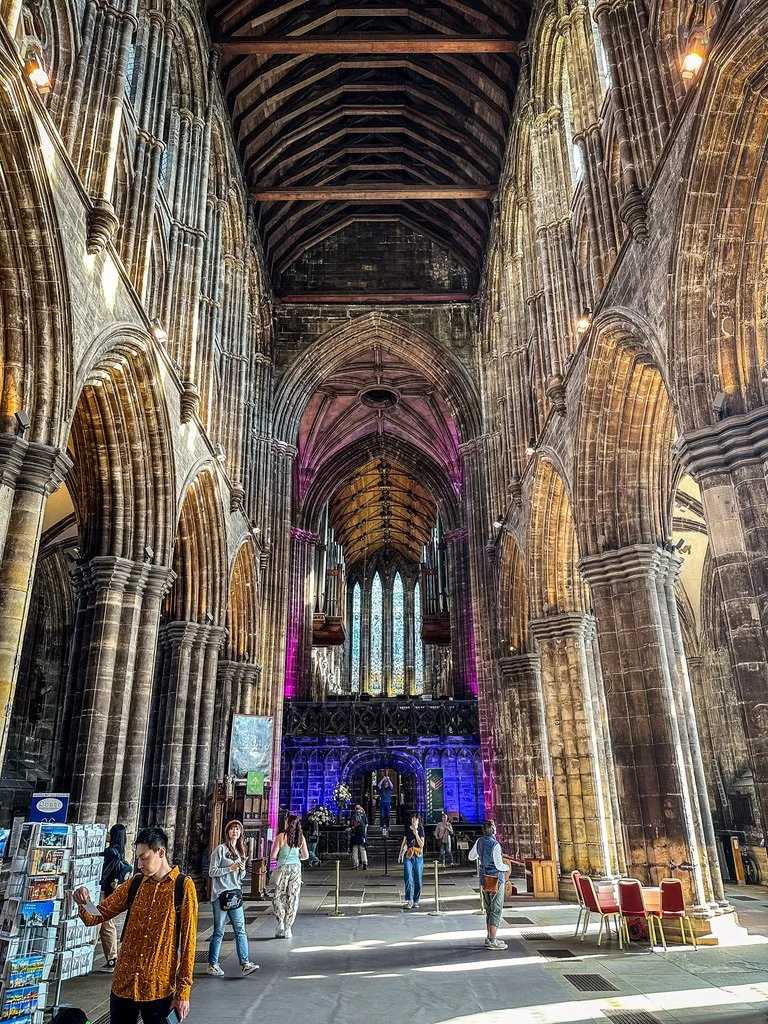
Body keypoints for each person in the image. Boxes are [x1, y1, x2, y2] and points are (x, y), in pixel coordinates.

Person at [74, 824, 198, 1023]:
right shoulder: (135, 883)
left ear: (161, 852)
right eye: (138, 858)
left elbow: (189, 943)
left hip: (158, 986)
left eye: (144, 857)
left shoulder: (183, 886)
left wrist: (183, 992)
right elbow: (96, 916)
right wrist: (84, 902)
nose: (139, 864)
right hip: (124, 983)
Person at [207, 819, 259, 976]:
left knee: (240, 930)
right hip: (220, 895)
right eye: (232, 829)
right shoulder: (220, 850)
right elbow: (212, 871)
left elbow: (240, 876)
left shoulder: (240, 851)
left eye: (237, 829)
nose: (235, 832)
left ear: (241, 833)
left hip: (235, 894)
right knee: (219, 931)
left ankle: (245, 963)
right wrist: (230, 868)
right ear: (227, 832)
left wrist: (241, 869)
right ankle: (212, 964)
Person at [469, 820, 510, 951]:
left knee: (488, 908)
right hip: (496, 879)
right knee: (496, 909)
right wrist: (506, 867)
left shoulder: (479, 841)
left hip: (484, 879)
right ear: (493, 830)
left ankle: (489, 937)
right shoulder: (495, 845)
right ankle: (492, 940)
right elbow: (498, 864)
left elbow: (471, 856)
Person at [98, 824, 131, 973]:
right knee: (107, 924)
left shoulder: (110, 852)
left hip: (102, 891)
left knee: (96, 923)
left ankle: (83, 957)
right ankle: (112, 958)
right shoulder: (121, 852)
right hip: (111, 892)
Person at [270, 813, 309, 939]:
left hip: (283, 868)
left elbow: (273, 856)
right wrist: (296, 857)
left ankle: (280, 921)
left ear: (287, 824)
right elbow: (306, 856)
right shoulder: (301, 838)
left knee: (278, 896)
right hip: (296, 869)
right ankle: (288, 928)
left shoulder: (281, 836)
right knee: (293, 897)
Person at [398, 813, 425, 909]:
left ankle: (416, 900)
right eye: (412, 820)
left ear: (418, 821)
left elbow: (421, 845)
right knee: (408, 876)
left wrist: (416, 833)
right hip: (408, 854)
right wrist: (400, 854)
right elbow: (404, 842)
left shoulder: (421, 829)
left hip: (418, 855)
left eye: (415, 820)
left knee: (418, 878)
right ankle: (409, 900)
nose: (413, 822)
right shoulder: (407, 829)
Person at [349, 803, 368, 869]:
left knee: (355, 849)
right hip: (362, 834)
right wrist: (365, 834)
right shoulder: (364, 815)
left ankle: (355, 864)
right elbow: (366, 825)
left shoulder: (354, 816)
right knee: (363, 849)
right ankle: (364, 862)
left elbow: (351, 825)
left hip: (355, 834)